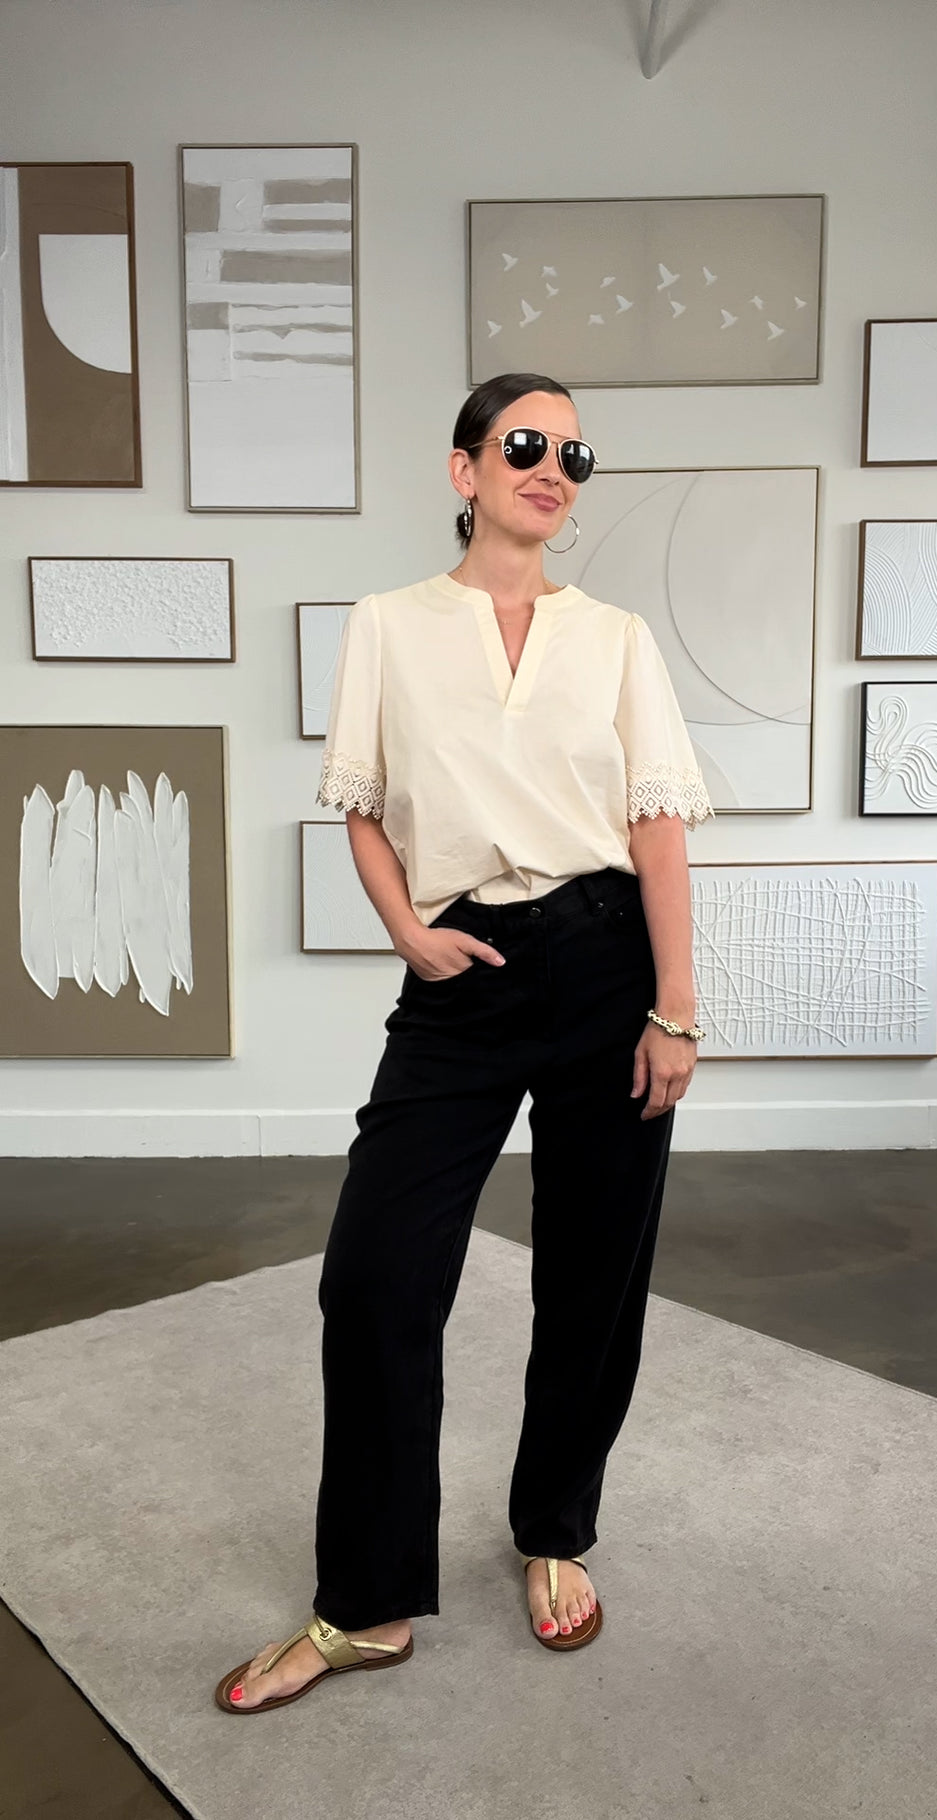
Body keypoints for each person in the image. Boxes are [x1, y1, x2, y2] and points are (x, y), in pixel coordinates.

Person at [215, 371, 713, 1715]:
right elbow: (364, 804)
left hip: (606, 959)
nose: (554, 469)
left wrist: (674, 1006)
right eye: (527, 445)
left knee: (594, 1272)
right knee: (375, 1275)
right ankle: (367, 1602)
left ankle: (554, 1530)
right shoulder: (388, 626)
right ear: (465, 469)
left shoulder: (614, 639)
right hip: (463, 972)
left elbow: (657, 825)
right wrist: (408, 934)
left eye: (575, 456)